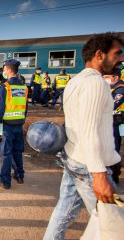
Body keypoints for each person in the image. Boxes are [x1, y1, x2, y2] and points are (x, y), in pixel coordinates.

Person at [43, 32, 124, 240]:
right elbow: (90, 130)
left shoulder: (75, 81)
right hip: (89, 166)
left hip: (74, 158)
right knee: (111, 222)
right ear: (99, 54)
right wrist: (99, 175)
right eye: (117, 54)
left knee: (63, 211)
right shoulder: (95, 84)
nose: (121, 59)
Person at [0, 59, 28, 189]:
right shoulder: (24, 87)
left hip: (8, 126)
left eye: (5, 69)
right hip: (19, 124)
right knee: (17, 151)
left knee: (6, 154)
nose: (3, 71)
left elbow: (0, 109)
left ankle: (5, 181)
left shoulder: (5, 87)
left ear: (10, 70)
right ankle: (19, 176)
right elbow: (25, 108)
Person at [103, 69, 124, 184]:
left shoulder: (120, 88)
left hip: (117, 121)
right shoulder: (112, 87)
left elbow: (113, 104)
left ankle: (114, 175)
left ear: (115, 77)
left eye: (106, 76)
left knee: (113, 148)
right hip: (111, 121)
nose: (104, 78)